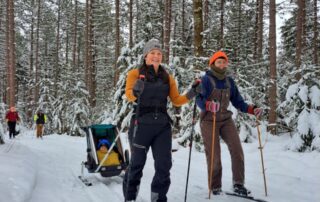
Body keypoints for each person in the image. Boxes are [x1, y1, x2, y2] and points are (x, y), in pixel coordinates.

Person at [123, 38, 201, 202]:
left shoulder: (167, 77)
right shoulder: (135, 74)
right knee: (136, 165)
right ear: (146, 56)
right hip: (141, 124)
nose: (156, 56)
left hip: (162, 127)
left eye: (159, 53)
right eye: (152, 53)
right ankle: (130, 198)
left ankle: (158, 198)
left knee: (164, 166)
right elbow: (129, 95)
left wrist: (192, 92)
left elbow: (176, 100)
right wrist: (135, 92)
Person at [196, 51, 263, 196]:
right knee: (214, 154)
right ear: (212, 64)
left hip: (226, 119)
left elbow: (238, 101)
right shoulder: (206, 80)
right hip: (209, 120)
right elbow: (199, 99)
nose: (221, 64)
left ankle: (238, 184)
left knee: (237, 150)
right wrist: (207, 105)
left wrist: (252, 109)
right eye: (218, 62)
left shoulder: (229, 81)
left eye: (223, 62)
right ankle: (215, 187)